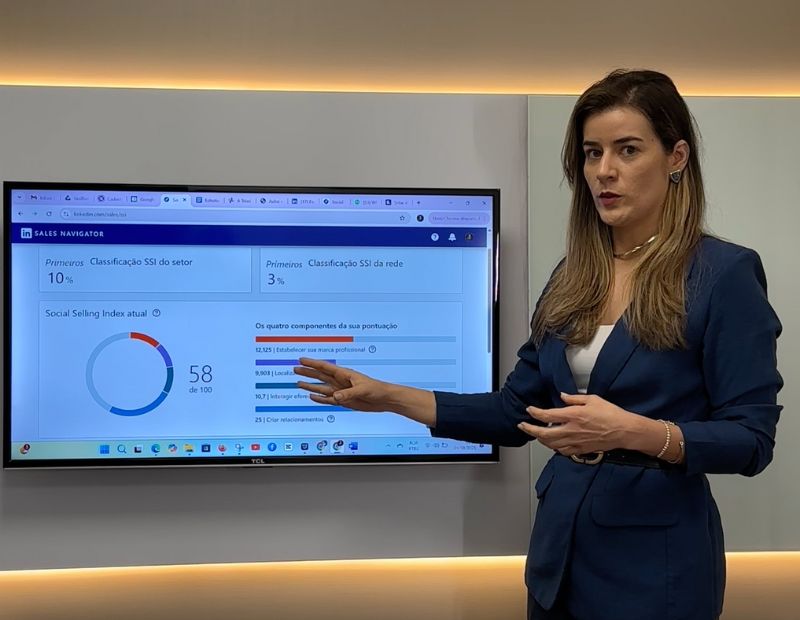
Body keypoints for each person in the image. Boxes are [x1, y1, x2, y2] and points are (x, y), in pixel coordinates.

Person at [294, 69, 782, 620]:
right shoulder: (574, 275)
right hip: (559, 557)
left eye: (627, 150)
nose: (604, 171)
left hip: (657, 570)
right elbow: (514, 413)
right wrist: (388, 397)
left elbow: (750, 440)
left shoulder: (723, 275)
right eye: (592, 153)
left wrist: (634, 432)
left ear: (676, 158)